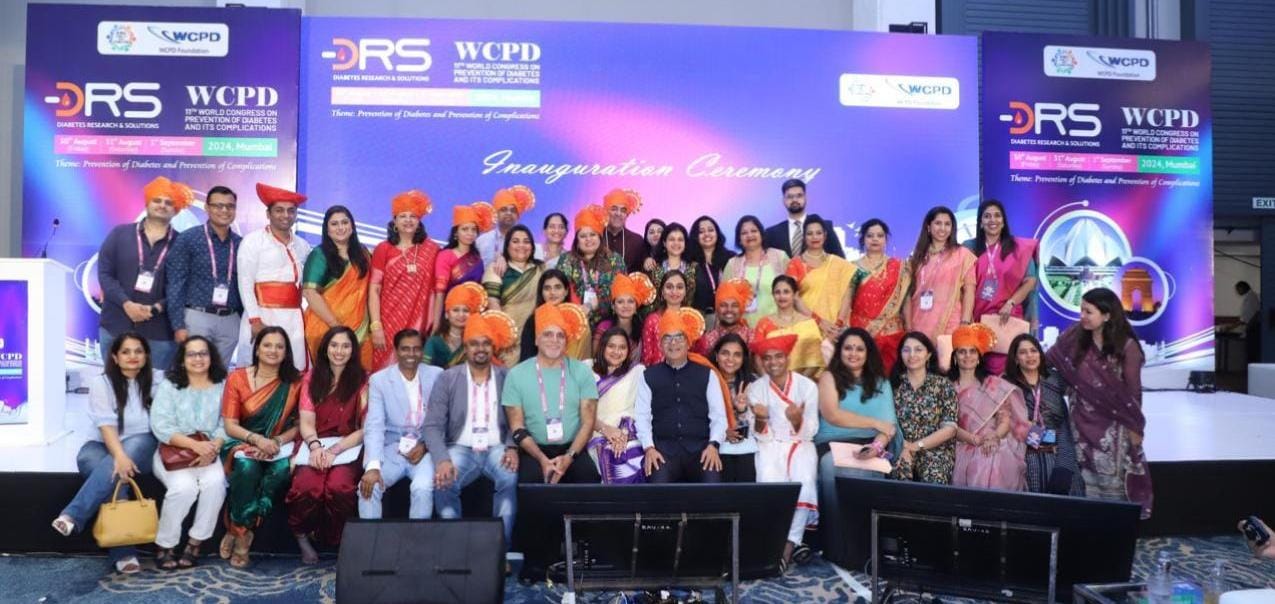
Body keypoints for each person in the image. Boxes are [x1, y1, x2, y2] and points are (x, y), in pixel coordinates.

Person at [51, 332, 158, 574]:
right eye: (125, 352)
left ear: (146, 356)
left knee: (134, 446)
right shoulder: (102, 383)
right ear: (115, 357)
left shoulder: (158, 381)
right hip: (102, 444)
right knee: (95, 462)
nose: (132, 356)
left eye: (138, 351)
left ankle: (72, 515)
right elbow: (106, 425)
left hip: (142, 447)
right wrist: (119, 457)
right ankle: (124, 552)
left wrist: (122, 457)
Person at [1046, 287, 1152, 518]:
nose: (1082, 316)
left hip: (1115, 424)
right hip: (1080, 421)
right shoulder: (1075, 337)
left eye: (1088, 312)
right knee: (1083, 480)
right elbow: (1051, 359)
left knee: (1112, 483)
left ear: (1106, 315)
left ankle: (1113, 527)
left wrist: (1135, 426)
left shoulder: (1127, 346)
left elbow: (1133, 392)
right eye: (1081, 310)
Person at [424, 311, 520, 550]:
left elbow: (518, 418)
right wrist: (442, 459)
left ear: (493, 347)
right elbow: (432, 425)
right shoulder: (448, 378)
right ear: (465, 347)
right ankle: (453, 549)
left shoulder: (507, 377)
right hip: (460, 447)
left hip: (497, 447)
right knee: (444, 481)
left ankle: (501, 551)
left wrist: (512, 446)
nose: (480, 349)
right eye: (474, 343)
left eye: (486, 343)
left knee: (509, 479)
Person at [218, 326, 303, 568]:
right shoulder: (237, 378)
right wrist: (257, 441)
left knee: (280, 473)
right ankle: (243, 537)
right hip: (242, 440)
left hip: (279, 445)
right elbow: (230, 425)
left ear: (286, 352)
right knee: (248, 468)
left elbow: (300, 425)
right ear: (257, 349)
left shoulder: (296, 382)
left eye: (279, 346)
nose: (272, 351)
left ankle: (236, 528)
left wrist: (275, 442)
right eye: (267, 345)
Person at [287, 326, 368, 563]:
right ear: (325, 348)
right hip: (314, 442)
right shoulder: (311, 378)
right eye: (334, 345)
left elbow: (365, 428)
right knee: (306, 486)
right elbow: (306, 421)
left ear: (353, 350)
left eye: (345, 346)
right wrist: (315, 447)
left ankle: (340, 540)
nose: (339, 351)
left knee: (339, 487)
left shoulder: (364, 380)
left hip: (348, 446)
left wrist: (335, 451)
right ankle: (302, 538)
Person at [815, 328, 898, 556]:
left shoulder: (881, 382)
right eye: (848, 348)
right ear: (839, 351)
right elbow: (832, 415)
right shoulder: (829, 378)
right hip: (832, 442)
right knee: (832, 464)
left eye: (859, 349)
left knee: (866, 471)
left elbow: (888, 427)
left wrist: (876, 447)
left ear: (868, 353)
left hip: (870, 444)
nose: (853, 353)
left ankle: (864, 544)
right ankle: (836, 544)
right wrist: (873, 422)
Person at [149, 336, 229, 570]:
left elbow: (227, 423)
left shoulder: (223, 385)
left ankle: (195, 542)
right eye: (191, 354)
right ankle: (165, 544)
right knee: (184, 488)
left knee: (216, 484)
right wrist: (195, 446)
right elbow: (161, 426)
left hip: (210, 450)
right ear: (182, 359)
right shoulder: (170, 386)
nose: (198, 358)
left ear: (211, 357)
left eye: (203, 353)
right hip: (174, 452)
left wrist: (212, 448)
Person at [98, 177, 191, 371]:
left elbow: (182, 287)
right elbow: (105, 274)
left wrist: (155, 309)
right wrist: (126, 303)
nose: (162, 205)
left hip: (159, 332)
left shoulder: (182, 244)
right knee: (114, 384)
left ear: (176, 210)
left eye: (169, 202)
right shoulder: (119, 234)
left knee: (154, 387)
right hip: (116, 324)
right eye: (157, 200)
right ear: (147, 203)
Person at [504, 303, 601, 484]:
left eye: (560, 335)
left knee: (589, 477)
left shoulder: (582, 372)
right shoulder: (516, 374)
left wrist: (569, 457)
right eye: (547, 334)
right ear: (536, 340)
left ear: (566, 341)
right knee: (529, 482)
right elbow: (516, 426)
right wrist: (542, 459)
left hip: (572, 449)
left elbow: (588, 423)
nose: (554, 340)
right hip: (533, 450)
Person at [748, 330, 820, 571]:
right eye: (767, 358)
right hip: (769, 446)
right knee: (769, 483)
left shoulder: (807, 386)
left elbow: (811, 431)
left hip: (800, 444)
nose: (773, 362)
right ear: (761, 361)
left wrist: (797, 420)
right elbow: (760, 434)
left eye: (778, 356)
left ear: (788, 357)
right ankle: (778, 542)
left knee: (804, 481)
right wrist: (760, 419)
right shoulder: (756, 388)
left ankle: (787, 548)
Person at [636, 308, 731, 484]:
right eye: (667, 338)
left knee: (712, 489)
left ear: (688, 342)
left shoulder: (707, 375)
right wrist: (649, 448)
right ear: (660, 344)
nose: (673, 343)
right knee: (657, 488)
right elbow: (642, 417)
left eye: (679, 337)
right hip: (663, 453)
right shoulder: (648, 376)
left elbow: (719, 416)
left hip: (701, 452)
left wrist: (713, 445)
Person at [359, 329, 444, 520]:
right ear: (396, 351)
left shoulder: (437, 375)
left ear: (422, 351)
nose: (411, 354)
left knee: (422, 488)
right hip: (393, 448)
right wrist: (372, 466)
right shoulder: (379, 380)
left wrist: (425, 445)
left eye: (416, 349)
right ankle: (370, 538)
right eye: (405, 349)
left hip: (425, 448)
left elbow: (442, 420)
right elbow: (374, 425)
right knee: (368, 486)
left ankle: (417, 540)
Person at [236, 183, 312, 371]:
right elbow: (245, 283)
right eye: (279, 210)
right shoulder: (253, 241)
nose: (285, 215)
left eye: (291, 211)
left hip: (294, 318)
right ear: (268, 214)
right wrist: (254, 320)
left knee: (293, 370)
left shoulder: (302, 245)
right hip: (263, 316)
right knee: (259, 370)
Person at [166, 184, 242, 364]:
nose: (224, 210)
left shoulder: (241, 244)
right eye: (218, 206)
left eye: (230, 206)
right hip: (197, 317)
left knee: (220, 374)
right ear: (207, 208)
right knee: (195, 372)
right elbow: (175, 284)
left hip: (230, 320)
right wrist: (178, 325)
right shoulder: (188, 239)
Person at [949, 324, 1030, 492]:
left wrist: (994, 436)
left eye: (972, 351)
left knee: (993, 454)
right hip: (960, 442)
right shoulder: (946, 387)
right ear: (955, 357)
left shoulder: (993, 384)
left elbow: (1004, 420)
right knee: (981, 459)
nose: (967, 356)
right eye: (962, 352)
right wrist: (974, 440)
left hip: (993, 440)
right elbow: (946, 424)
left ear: (979, 357)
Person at [963, 200, 1039, 374]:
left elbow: (1030, 281)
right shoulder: (969, 248)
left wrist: (1011, 303)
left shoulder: (1019, 248)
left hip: (1008, 317)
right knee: (980, 370)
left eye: (997, 216)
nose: (993, 220)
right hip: (978, 320)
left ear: (1003, 221)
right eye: (987, 216)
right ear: (980, 222)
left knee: (1009, 370)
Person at [1004, 334, 1084, 495]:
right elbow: (1010, 425)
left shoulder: (1054, 379)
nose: (1030, 356)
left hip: (1060, 451)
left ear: (1040, 354)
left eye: (1033, 351)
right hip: (1024, 454)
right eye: (1023, 352)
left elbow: (1079, 393)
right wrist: (1046, 438)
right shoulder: (1007, 385)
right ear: (1016, 359)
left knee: (1068, 484)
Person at [369, 190, 440, 370]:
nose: (408, 220)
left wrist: (435, 324)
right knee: (385, 372)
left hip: (421, 324)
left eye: (413, 216)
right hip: (388, 322)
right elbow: (374, 289)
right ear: (394, 221)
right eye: (402, 216)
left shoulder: (432, 249)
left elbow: (437, 290)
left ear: (419, 221)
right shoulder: (383, 249)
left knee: (416, 370)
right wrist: (376, 326)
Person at [302, 206, 373, 370]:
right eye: (334, 224)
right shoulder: (319, 254)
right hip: (326, 327)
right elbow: (310, 293)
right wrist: (336, 327)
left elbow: (370, 289)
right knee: (328, 376)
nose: (340, 227)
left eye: (344, 222)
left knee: (359, 377)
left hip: (361, 329)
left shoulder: (363, 254)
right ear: (327, 230)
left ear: (352, 226)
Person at [888, 332, 957, 485]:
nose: (912, 355)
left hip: (936, 451)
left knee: (934, 479)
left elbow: (950, 429)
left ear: (928, 355)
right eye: (906, 350)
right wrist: (904, 447)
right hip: (901, 448)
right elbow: (887, 423)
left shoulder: (943, 385)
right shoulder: (893, 386)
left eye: (918, 349)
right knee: (898, 477)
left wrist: (914, 447)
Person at [843, 219, 911, 372]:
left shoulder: (900, 267)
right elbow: (847, 299)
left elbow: (906, 299)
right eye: (870, 236)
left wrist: (910, 327)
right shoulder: (853, 267)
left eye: (880, 236)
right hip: (862, 331)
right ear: (863, 239)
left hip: (892, 332)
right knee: (863, 375)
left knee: (892, 376)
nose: (875, 239)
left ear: (886, 240)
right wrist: (843, 325)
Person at [906, 206, 976, 343]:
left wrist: (965, 322)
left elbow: (969, 291)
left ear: (952, 228)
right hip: (919, 321)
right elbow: (908, 294)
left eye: (947, 224)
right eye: (938, 223)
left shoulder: (963, 255)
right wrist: (908, 326)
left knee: (947, 355)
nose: (942, 228)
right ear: (928, 227)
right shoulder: (916, 257)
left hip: (951, 321)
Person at [589, 327, 647, 484]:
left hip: (627, 432)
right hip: (595, 432)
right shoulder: (587, 369)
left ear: (628, 351)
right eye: (611, 346)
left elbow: (640, 409)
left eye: (622, 347)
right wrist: (605, 429)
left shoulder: (637, 372)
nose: (616, 352)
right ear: (603, 347)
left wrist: (623, 432)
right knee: (609, 457)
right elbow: (580, 410)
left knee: (633, 456)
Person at [560, 204, 627, 336]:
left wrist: (597, 304)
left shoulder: (614, 260)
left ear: (599, 237)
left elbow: (622, 293)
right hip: (575, 324)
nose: (588, 239)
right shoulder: (567, 260)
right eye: (583, 236)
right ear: (577, 240)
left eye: (592, 234)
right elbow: (560, 291)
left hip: (609, 326)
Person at [786, 213, 855, 338]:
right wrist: (819, 321)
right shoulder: (795, 264)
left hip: (836, 330)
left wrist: (838, 324)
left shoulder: (839, 264)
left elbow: (847, 294)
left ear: (825, 235)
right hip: (806, 327)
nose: (814, 237)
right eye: (810, 233)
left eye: (818, 233)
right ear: (804, 237)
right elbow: (794, 297)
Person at [484, 224, 545, 367]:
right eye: (515, 241)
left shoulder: (541, 269)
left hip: (534, 334)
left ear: (532, 246)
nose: (521, 246)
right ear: (507, 245)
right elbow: (493, 304)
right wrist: (505, 334)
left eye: (526, 241)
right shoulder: (496, 268)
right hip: (507, 336)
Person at [432, 202, 493, 329]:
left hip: (471, 315)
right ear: (456, 233)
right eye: (465, 229)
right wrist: (436, 325)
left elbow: (480, 292)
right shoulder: (445, 255)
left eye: (473, 230)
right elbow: (440, 292)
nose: (470, 233)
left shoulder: (477, 259)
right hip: (450, 313)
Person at [724, 215, 790, 327]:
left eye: (754, 231)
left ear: (761, 234)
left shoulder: (779, 257)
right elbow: (724, 299)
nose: (749, 235)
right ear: (739, 239)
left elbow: (794, 292)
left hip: (779, 326)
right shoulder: (732, 264)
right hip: (743, 328)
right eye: (744, 233)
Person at [754, 276, 824, 378]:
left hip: (802, 382)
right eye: (777, 292)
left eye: (786, 292)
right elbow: (757, 358)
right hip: (771, 381)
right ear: (773, 295)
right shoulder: (764, 323)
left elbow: (815, 360)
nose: (781, 296)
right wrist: (769, 382)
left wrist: (795, 384)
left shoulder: (808, 323)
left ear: (795, 295)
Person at [710, 333, 758, 482]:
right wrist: (722, 434)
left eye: (737, 355)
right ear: (716, 356)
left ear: (743, 359)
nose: (730, 359)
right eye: (725, 353)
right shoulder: (706, 381)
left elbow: (759, 428)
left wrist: (742, 410)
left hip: (746, 449)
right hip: (714, 448)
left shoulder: (753, 383)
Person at [762, 179, 845, 258]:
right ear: (783, 200)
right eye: (790, 196)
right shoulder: (772, 233)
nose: (795, 200)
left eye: (799, 196)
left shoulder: (825, 226)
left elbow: (840, 260)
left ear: (805, 198)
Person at [518, 269, 589, 361]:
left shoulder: (577, 318)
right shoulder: (533, 320)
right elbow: (527, 358)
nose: (552, 292)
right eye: (547, 288)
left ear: (566, 291)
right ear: (541, 293)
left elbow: (584, 355)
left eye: (558, 287)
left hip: (574, 368)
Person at [593, 272, 655, 364]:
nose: (626, 306)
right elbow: (595, 357)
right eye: (620, 302)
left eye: (630, 301)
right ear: (613, 306)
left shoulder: (642, 330)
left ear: (636, 306)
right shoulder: (604, 327)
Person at [424, 282, 487, 369]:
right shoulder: (434, 342)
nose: (461, 315)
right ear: (447, 314)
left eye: (466, 311)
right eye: (456, 310)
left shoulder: (475, 342)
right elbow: (424, 370)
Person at [688, 215, 736, 326]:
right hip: (701, 321)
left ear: (717, 233)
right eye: (701, 232)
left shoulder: (731, 258)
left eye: (711, 230)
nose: (707, 234)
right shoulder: (690, 262)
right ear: (695, 236)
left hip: (730, 317)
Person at [641, 270, 692, 367]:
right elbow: (647, 357)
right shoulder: (653, 320)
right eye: (669, 287)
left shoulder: (691, 320)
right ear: (662, 292)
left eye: (679, 287)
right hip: (657, 373)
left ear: (686, 292)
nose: (674, 291)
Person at [477, 185, 535, 267]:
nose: (509, 213)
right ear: (496, 213)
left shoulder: (526, 242)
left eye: (513, 210)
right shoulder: (482, 241)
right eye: (504, 210)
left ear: (517, 216)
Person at [695, 279, 755, 355]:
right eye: (723, 305)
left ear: (741, 309)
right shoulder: (707, 341)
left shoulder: (752, 337)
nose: (729, 309)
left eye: (734, 305)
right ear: (717, 309)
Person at [645, 222, 700, 306]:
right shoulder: (653, 268)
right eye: (672, 239)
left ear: (685, 243)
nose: (676, 243)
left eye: (680, 240)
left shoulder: (695, 268)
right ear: (664, 243)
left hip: (688, 313)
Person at [601, 188, 648, 272]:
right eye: (614, 209)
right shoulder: (596, 238)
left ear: (627, 215)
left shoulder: (637, 240)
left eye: (623, 210)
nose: (618, 214)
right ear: (606, 211)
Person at [1235, 281, 1261, 363]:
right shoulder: (1249, 296)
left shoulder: (1251, 297)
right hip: (1251, 327)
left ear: (1243, 288)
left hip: (1253, 328)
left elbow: (1255, 313)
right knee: (1250, 353)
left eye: (1238, 289)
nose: (1237, 292)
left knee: (1251, 353)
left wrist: (1232, 326)